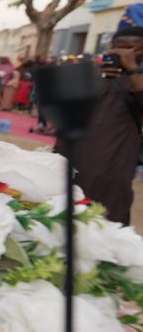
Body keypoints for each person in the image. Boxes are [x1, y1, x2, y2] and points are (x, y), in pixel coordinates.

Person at [55, 27, 143, 224]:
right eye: (120, 47)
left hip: (114, 157)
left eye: (132, 48)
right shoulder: (96, 71)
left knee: (106, 209)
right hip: (73, 151)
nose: (124, 53)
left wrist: (132, 68)